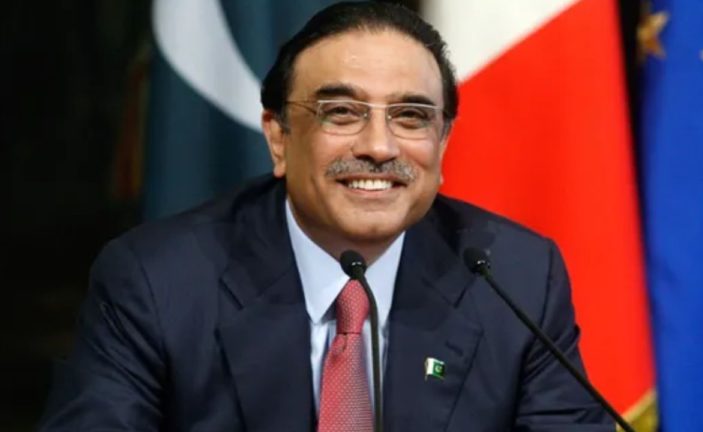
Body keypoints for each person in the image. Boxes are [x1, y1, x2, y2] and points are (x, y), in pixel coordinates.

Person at [40, 2, 612, 431]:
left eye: (411, 117)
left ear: (443, 142)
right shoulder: (158, 280)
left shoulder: (515, 277)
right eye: (341, 112)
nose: (379, 146)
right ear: (279, 137)